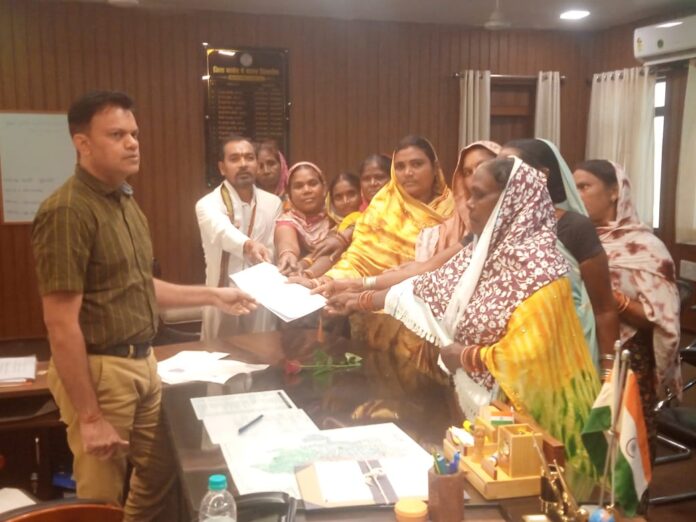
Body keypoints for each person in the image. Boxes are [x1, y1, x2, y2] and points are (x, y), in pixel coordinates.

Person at [31, 91, 256, 521]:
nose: (132, 143)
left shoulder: (124, 202)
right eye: (117, 135)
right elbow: (59, 323)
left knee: (161, 474)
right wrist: (90, 417)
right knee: (101, 498)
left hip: (143, 362)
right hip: (101, 370)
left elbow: (140, 287)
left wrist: (214, 295)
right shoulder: (68, 210)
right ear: (83, 143)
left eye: (134, 133)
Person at [329, 157, 599, 476]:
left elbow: (527, 355)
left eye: (479, 195)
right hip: (487, 421)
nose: (468, 204)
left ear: (511, 201)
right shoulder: (481, 253)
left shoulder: (542, 271)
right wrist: (357, 300)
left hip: (539, 427)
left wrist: (465, 356)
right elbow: (425, 288)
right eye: (468, 194)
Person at [573, 159, 681, 465]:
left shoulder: (646, 248)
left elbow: (659, 319)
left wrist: (610, 297)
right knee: (586, 445)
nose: (577, 194)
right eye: (573, 187)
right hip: (580, 352)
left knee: (627, 448)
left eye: (584, 186)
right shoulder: (574, 239)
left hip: (628, 358)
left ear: (614, 192)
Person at [499, 139, 619, 376]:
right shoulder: (497, 229)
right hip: (510, 360)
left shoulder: (574, 227)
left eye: (510, 166)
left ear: (542, 175)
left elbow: (604, 308)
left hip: (567, 360)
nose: (500, 173)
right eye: (497, 166)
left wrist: (608, 371)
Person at [323, 135, 454, 280]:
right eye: (400, 167)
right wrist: (326, 280)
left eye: (417, 164)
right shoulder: (381, 206)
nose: (408, 173)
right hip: (366, 288)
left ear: (435, 168)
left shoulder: (456, 210)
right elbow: (357, 262)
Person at [196, 135, 283, 339]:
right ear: (222, 168)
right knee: (219, 355)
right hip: (222, 295)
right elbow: (221, 231)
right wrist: (248, 245)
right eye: (234, 159)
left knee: (262, 352)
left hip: (261, 297)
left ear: (256, 163)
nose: (243, 164)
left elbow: (272, 250)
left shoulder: (273, 203)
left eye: (249, 158)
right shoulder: (207, 204)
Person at [311, 154, 392, 263]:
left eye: (380, 177)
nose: (373, 183)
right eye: (366, 179)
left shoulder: (397, 212)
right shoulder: (334, 225)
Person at [275, 161, 333, 276]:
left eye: (313, 184)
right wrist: (288, 254)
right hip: (299, 282)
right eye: (298, 186)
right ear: (289, 193)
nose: (307, 190)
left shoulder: (337, 217)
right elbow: (287, 243)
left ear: (324, 188)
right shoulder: (287, 222)